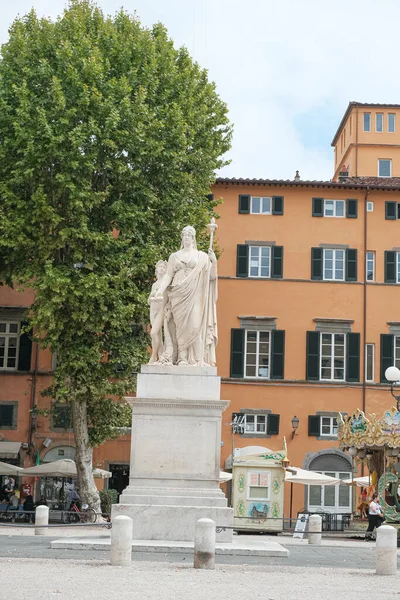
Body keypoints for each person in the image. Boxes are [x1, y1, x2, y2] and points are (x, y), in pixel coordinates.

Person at [152, 225, 218, 366]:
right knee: (179, 327)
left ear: (193, 238)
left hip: (195, 294)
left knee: (194, 325)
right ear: (182, 238)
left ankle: (197, 358)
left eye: (189, 235)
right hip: (177, 294)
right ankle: (182, 357)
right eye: (184, 235)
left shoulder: (202, 257)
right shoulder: (174, 256)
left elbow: (212, 277)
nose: (186, 238)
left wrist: (214, 262)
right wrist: (159, 290)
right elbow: (168, 275)